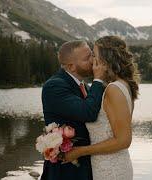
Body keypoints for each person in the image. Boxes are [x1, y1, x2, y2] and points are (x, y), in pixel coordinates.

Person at [65, 36, 140, 180]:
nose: (92, 59)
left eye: (94, 55)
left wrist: (80, 151)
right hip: (107, 167)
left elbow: (124, 140)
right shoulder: (120, 85)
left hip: (111, 170)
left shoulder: (114, 89)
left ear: (105, 61)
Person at [41, 40, 107, 180]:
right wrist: (99, 80)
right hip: (65, 171)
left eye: (92, 55)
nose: (93, 61)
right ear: (71, 67)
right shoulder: (54, 86)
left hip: (85, 166)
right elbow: (88, 113)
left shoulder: (85, 86)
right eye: (87, 58)